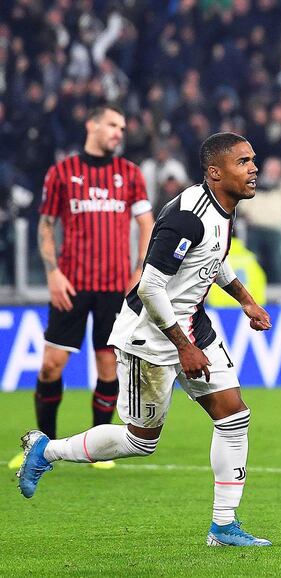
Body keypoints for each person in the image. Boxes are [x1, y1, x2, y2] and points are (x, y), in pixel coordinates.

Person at [17, 133, 274, 547]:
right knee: (141, 441)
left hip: (192, 325)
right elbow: (151, 287)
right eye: (243, 161)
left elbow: (214, 261)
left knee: (233, 417)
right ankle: (46, 451)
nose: (253, 168)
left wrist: (247, 301)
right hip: (151, 336)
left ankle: (223, 526)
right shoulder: (187, 217)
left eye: (252, 160)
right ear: (214, 173)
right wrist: (182, 346)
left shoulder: (223, 210)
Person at [9, 104, 155, 472]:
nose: (119, 132)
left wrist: (139, 269)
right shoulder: (62, 173)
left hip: (114, 288)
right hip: (71, 285)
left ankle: (98, 446)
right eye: (112, 125)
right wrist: (53, 273)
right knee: (49, 367)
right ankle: (41, 446)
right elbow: (45, 225)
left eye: (122, 127)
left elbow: (146, 224)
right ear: (92, 125)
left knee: (108, 367)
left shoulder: (130, 174)